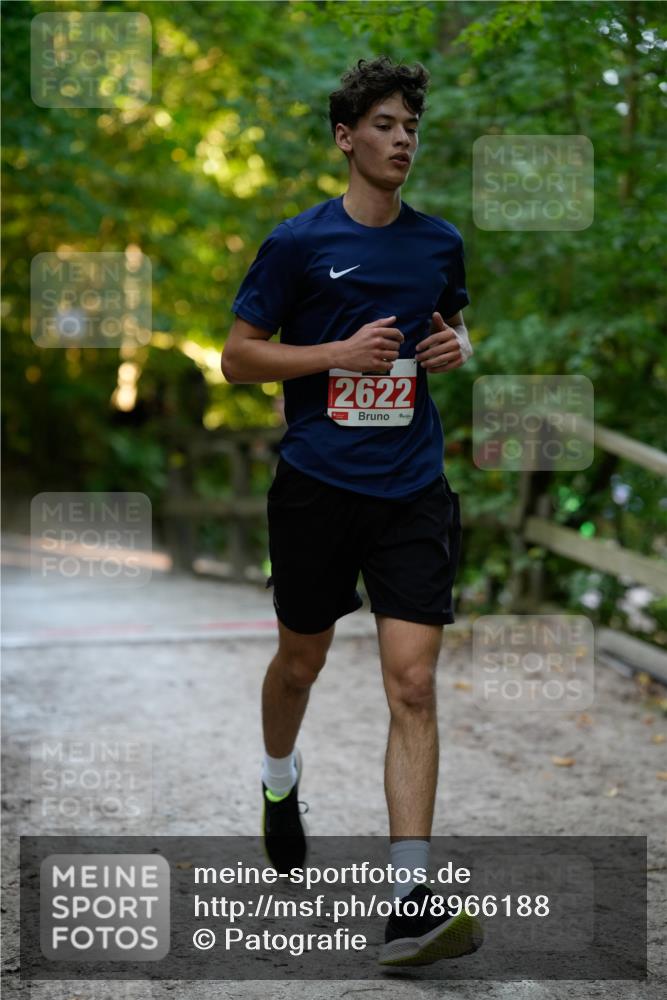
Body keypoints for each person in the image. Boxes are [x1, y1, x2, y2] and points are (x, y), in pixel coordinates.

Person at [221, 55, 481, 967]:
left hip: (411, 486)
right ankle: (279, 781)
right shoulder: (296, 243)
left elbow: (451, 323)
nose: (402, 139)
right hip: (318, 487)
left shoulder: (438, 241)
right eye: (384, 124)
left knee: (410, 683)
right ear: (345, 137)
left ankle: (411, 896)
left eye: (411, 126)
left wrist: (455, 348)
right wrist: (334, 354)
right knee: (301, 663)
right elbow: (239, 359)